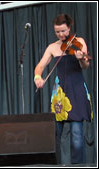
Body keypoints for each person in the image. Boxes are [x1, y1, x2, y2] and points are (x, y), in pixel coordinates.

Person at [34, 14, 93, 164]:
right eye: (57, 32)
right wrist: (37, 77)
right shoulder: (52, 47)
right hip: (60, 93)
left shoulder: (78, 42)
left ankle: (79, 166)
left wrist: (81, 58)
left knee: (77, 135)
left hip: (77, 89)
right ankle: (57, 165)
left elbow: (86, 66)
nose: (61, 34)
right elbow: (40, 66)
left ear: (69, 28)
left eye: (64, 31)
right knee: (56, 135)